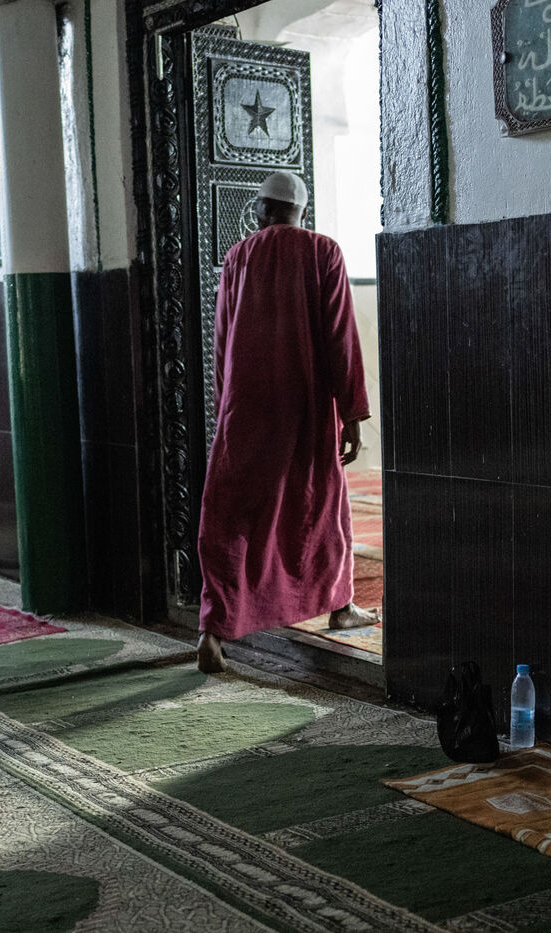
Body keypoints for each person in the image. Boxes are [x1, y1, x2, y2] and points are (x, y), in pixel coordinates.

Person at [195, 171, 379, 674]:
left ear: (263, 209)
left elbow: (221, 340)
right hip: (307, 407)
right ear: (301, 211)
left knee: (232, 516)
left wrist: (224, 407)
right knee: (318, 507)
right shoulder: (324, 252)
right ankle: (340, 606)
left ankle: (213, 630)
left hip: (246, 407)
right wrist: (352, 413)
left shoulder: (238, 257)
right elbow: (341, 337)